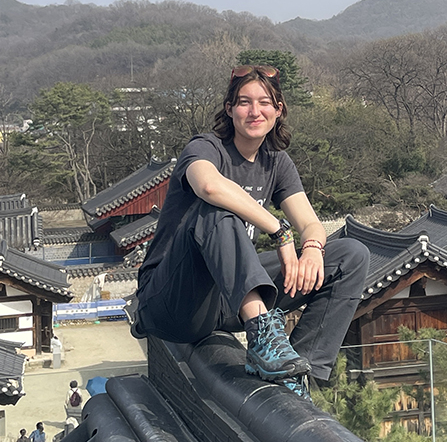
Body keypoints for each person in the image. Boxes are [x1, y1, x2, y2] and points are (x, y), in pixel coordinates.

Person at [131, 65, 368, 399]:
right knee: (215, 210)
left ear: (278, 110)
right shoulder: (205, 148)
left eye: (264, 102)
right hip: (173, 300)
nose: (254, 111)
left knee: (351, 257)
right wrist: (280, 231)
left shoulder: (276, 162)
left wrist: (312, 247)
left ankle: (298, 373)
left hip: (228, 301)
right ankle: (264, 338)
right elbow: (210, 187)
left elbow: (311, 223)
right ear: (229, 110)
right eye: (244, 102)